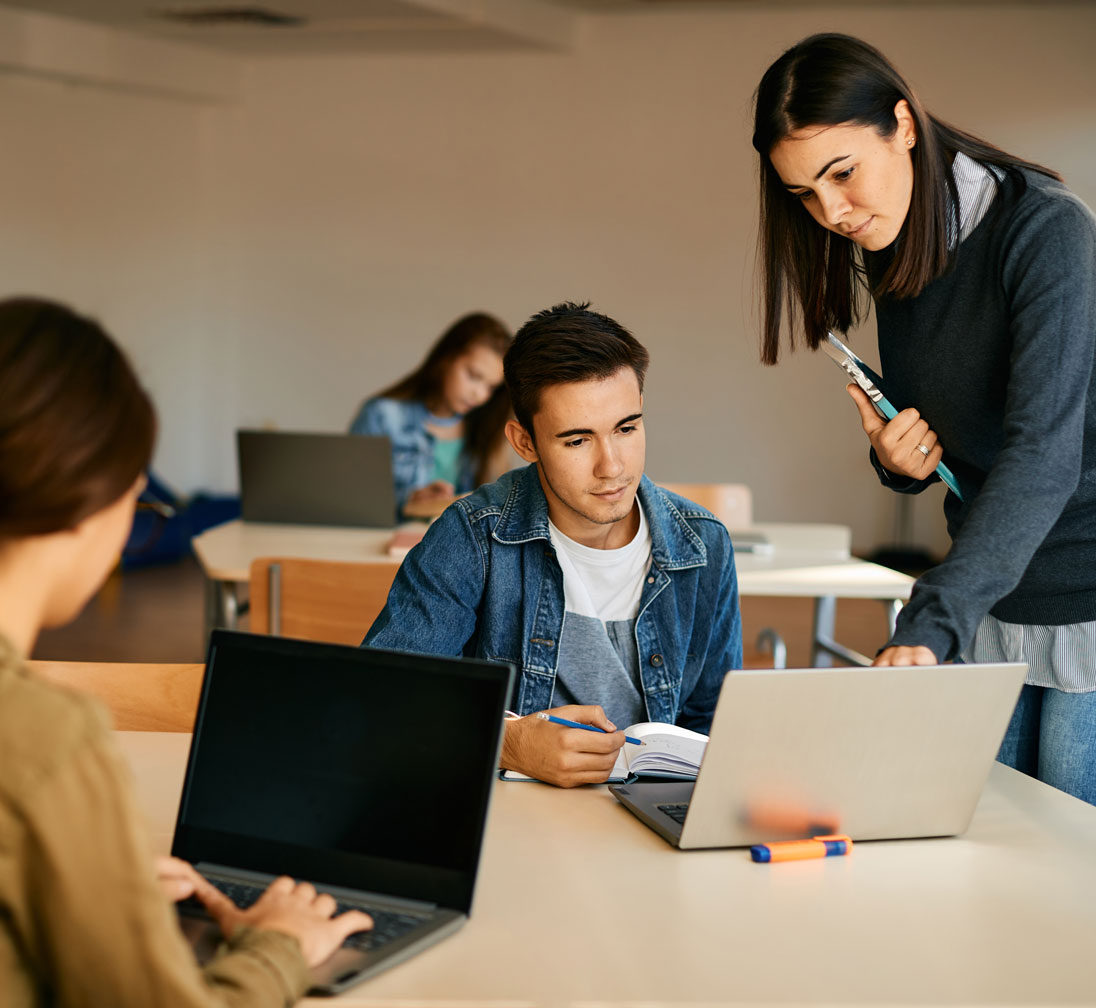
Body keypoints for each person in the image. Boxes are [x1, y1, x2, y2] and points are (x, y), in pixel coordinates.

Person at [750, 33, 1096, 825]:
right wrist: (899, 461)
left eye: (842, 174)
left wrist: (930, 620)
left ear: (904, 125)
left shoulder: (1047, 233)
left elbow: (1042, 456)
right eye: (805, 196)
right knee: (990, 859)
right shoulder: (895, 242)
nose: (833, 214)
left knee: (1072, 876)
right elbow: (959, 433)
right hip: (999, 596)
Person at [0, 296, 372, 1006]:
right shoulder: (46, 741)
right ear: (86, 499)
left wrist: (91, 878)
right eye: (138, 504)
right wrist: (279, 948)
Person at [363, 302, 742, 787]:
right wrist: (509, 743)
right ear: (524, 442)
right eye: (577, 441)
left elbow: (712, 724)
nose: (612, 467)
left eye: (627, 428)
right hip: (514, 819)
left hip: (650, 819)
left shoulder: (703, 545)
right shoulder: (472, 535)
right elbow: (383, 696)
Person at [349, 312, 511, 518]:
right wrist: (408, 501)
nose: (479, 394)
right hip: (388, 544)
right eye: (473, 376)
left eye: (490, 387)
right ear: (446, 359)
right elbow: (352, 499)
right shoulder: (382, 415)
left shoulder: (486, 430)